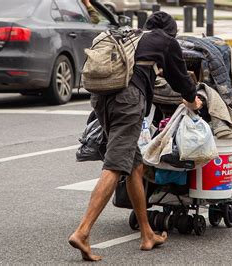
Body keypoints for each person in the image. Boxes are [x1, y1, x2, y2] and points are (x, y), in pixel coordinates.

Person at [68, 11, 203, 261]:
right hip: (127, 100)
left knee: (134, 165)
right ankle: (83, 232)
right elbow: (180, 78)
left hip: (100, 97)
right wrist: (193, 99)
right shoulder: (166, 41)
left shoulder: (131, 35)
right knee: (117, 164)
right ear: (171, 32)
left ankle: (147, 234)